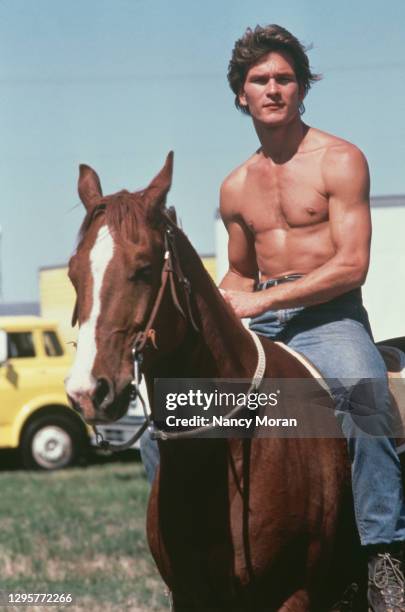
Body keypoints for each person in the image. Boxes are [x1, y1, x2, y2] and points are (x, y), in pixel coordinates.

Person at [219, 24, 405, 612]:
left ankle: (384, 557)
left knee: (364, 395)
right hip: (263, 322)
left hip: (329, 316)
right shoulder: (234, 187)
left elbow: (352, 265)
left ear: (302, 88)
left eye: (284, 78)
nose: (272, 89)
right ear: (240, 94)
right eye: (259, 80)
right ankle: (194, 554)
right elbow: (241, 275)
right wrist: (216, 303)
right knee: (180, 406)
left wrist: (263, 301)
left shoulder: (340, 160)